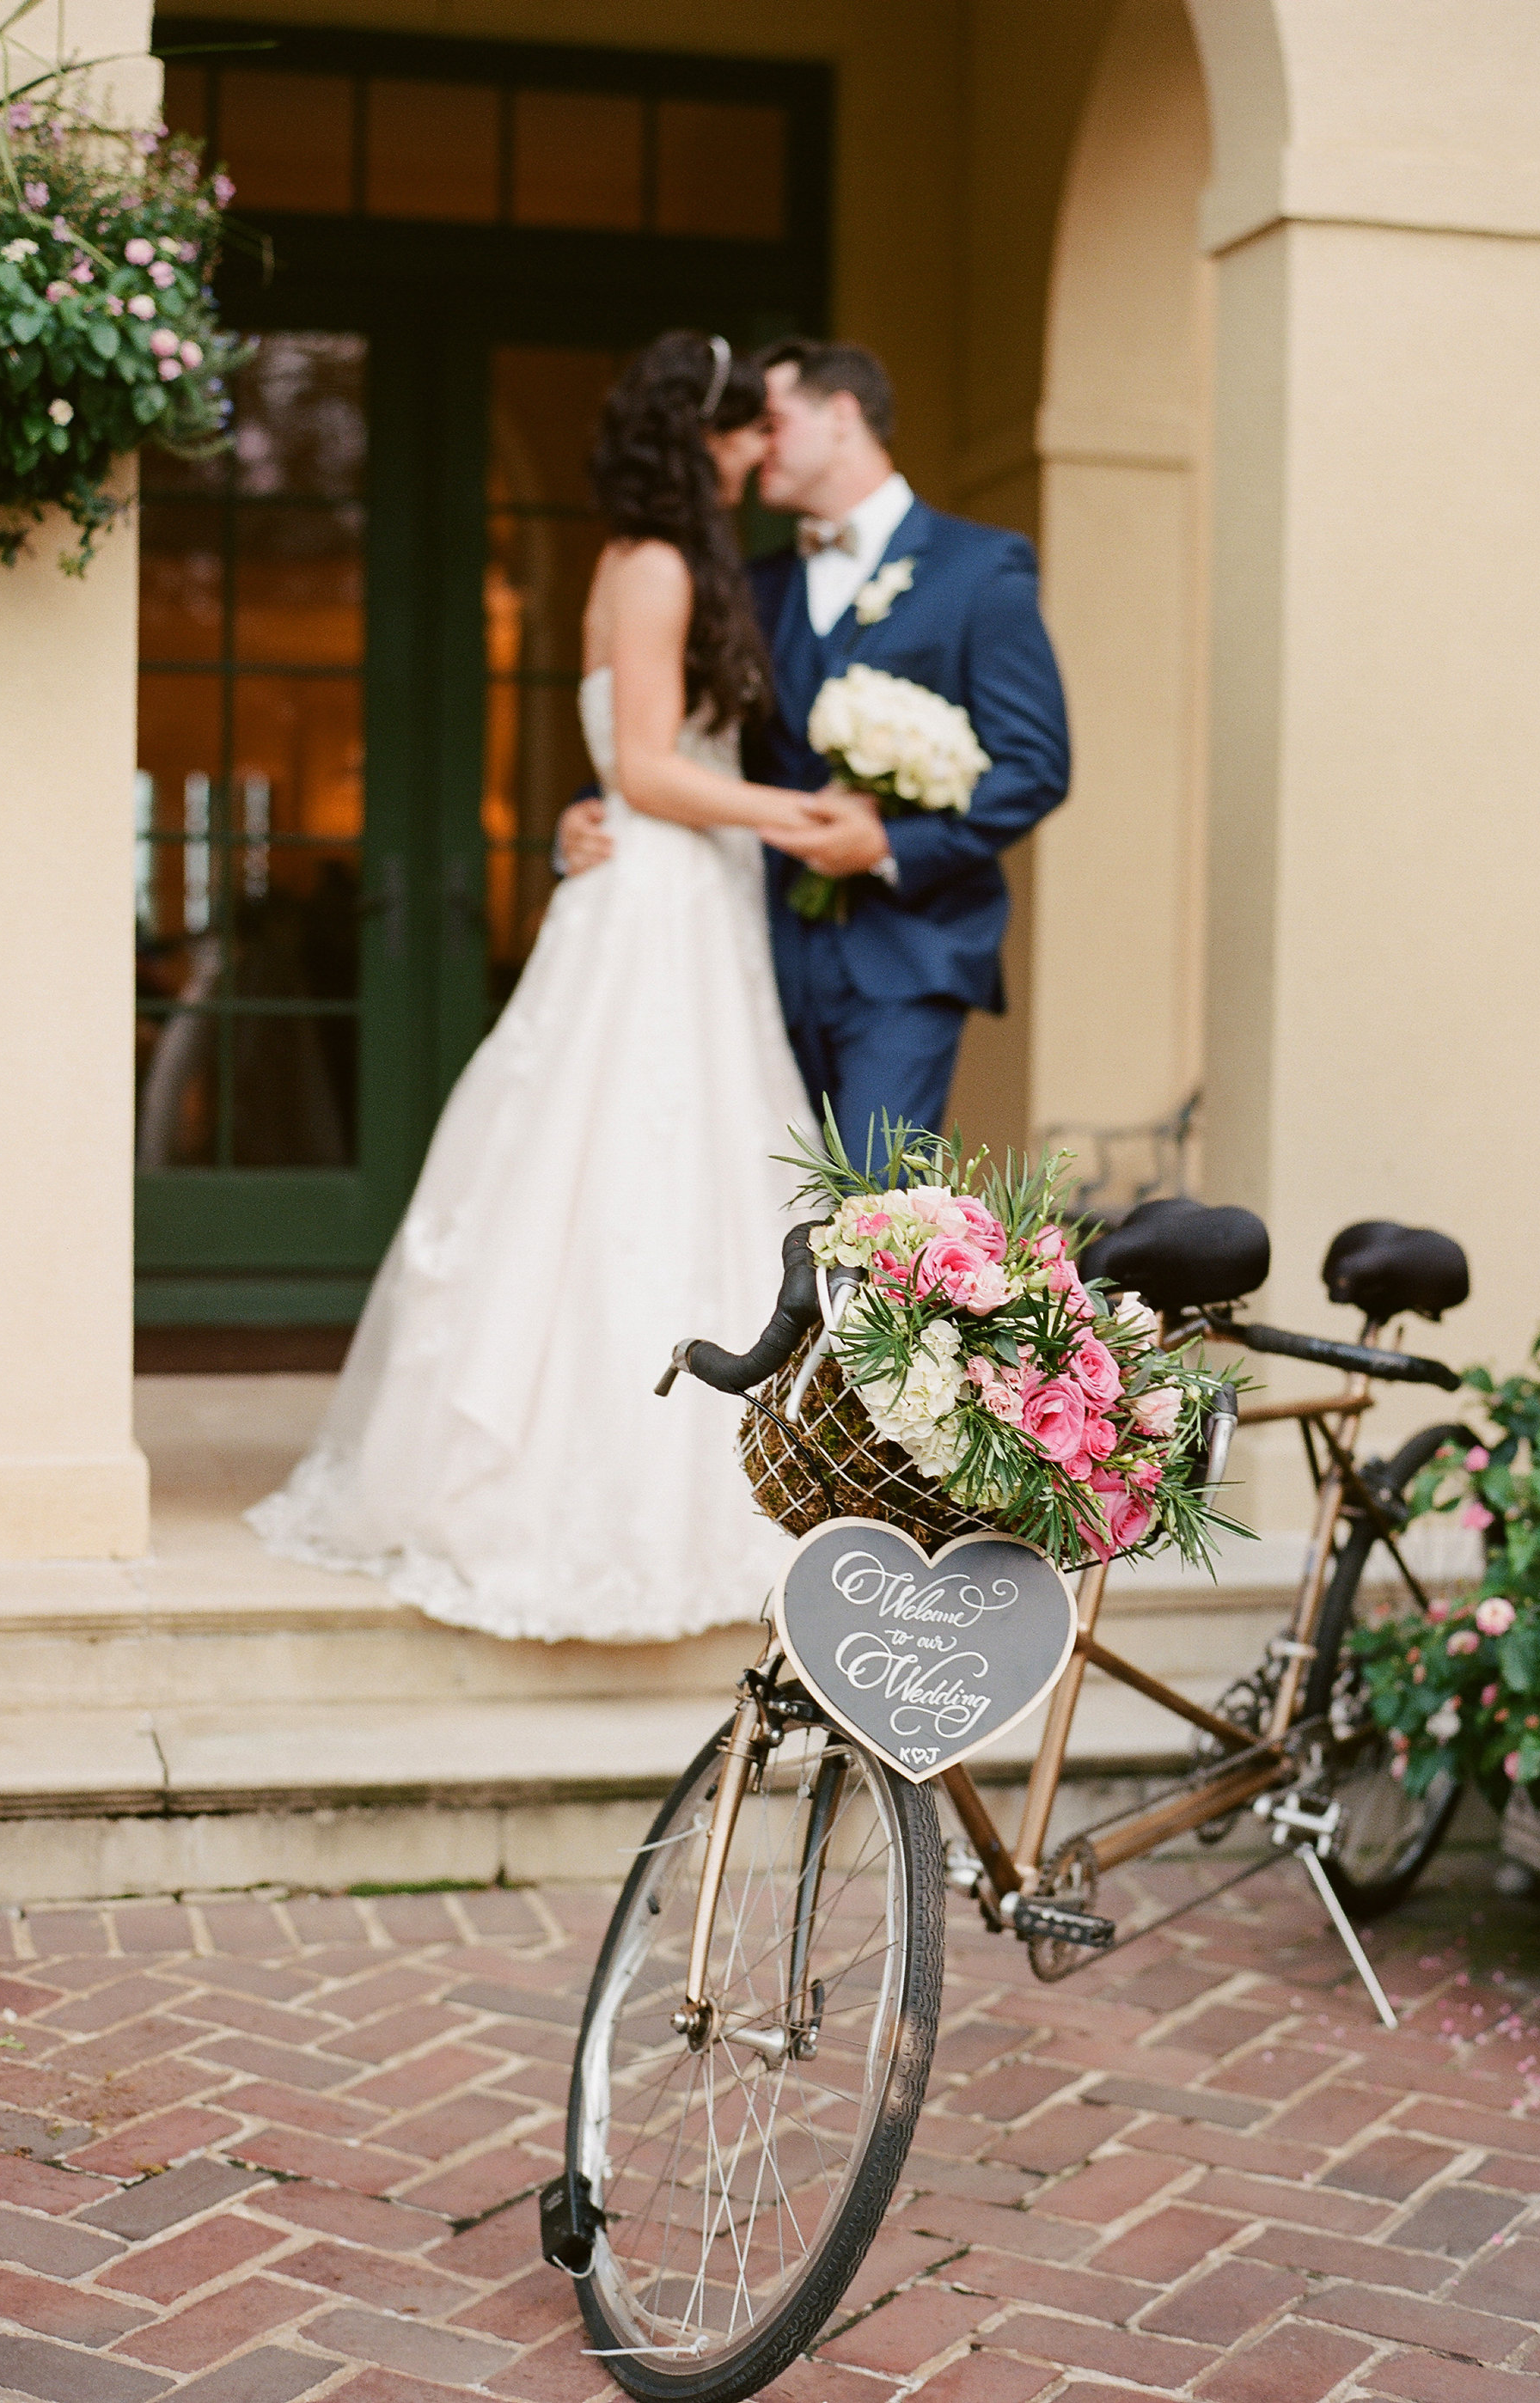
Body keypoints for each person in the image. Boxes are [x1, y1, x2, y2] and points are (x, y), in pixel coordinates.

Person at [248, 332, 835, 1642]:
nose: (754, 456)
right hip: (657, 902)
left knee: (699, 1172)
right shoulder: (658, 566)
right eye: (742, 434)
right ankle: (583, 1494)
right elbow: (642, 767)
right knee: (620, 1168)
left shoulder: (668, 564)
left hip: (693, 899)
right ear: (703, 439)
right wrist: (799, 812)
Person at [560, 340, 1070, 1166]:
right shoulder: (745, 585)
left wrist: (892, 845)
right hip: (749, 956)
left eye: (773, 420)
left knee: (865, 1216)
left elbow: (1036, 764)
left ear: (841, 418)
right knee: (747, 1211)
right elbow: (669, 735)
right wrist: (587, 813)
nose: (758, 442)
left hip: (906, 956)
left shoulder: (981, 569)